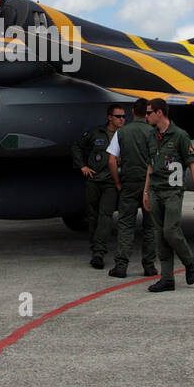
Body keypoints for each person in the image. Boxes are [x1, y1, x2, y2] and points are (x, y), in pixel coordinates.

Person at [142, 98, 194, 293]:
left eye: (149, 113)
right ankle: (167, 279)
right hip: (155, 190)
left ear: (159, 113)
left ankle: (189, 260)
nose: (146, 116)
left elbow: (192, 164)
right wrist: (145, 192)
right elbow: (150, 166)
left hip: (172, 192)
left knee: (171, 231)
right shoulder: (152, 136)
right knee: (160, 236)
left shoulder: (180, 136)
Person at [105, 98, 160, 278]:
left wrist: (117, 182)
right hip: (149, 185)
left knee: (125, 225)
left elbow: (112, 160)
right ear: (146, 113)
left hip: (128, 184)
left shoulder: (122, 132)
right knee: (150, 226)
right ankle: (149, 266)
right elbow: (156, 160)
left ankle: (121, 266)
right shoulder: (153, 132)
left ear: (132, 112)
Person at [71, 105, 124, 269]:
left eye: (123, 116)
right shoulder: (96, 133)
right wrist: (82, 166)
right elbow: (76, 146)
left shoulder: (125, 134)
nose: (122, 119)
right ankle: (95, 248)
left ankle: (99, 252)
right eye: (118, 116)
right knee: (92, 216)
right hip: (93, 181)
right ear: (110, 117)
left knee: (105, 216)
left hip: (110, 182)